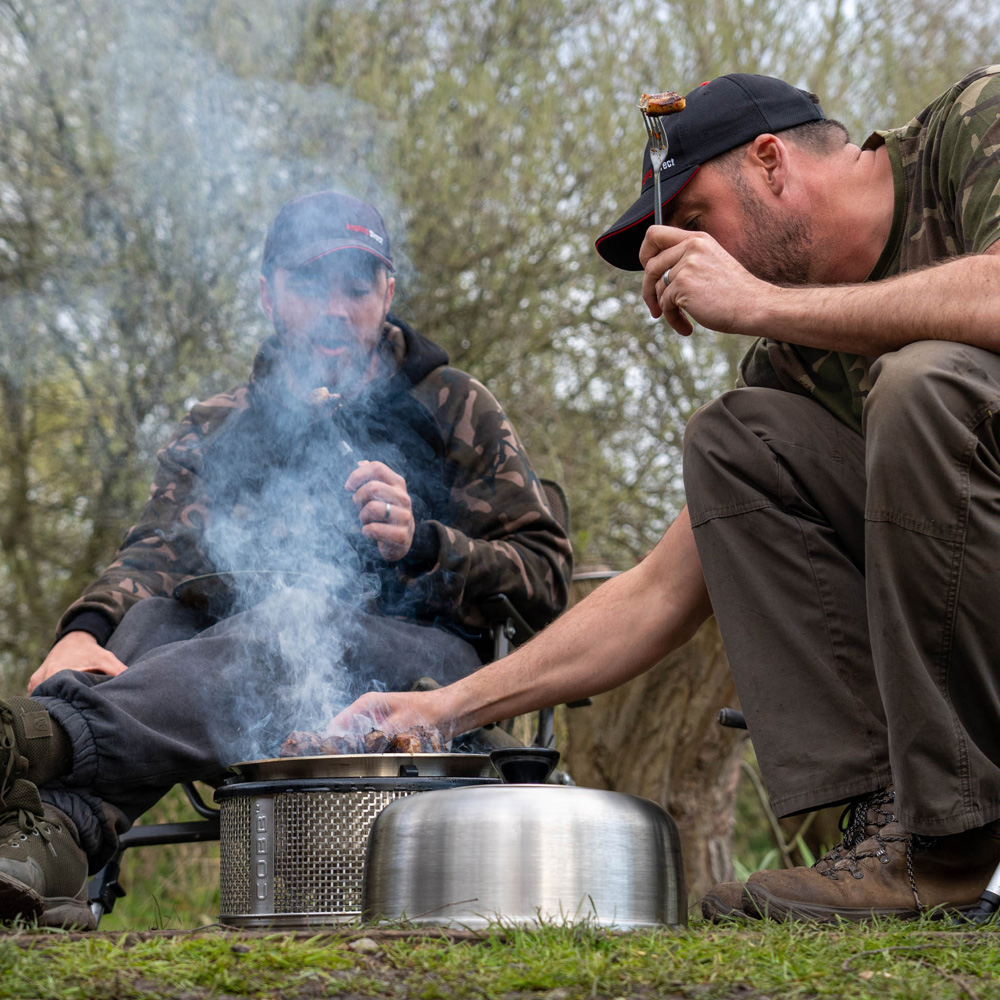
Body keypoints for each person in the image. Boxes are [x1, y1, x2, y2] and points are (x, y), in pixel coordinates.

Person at [336, 67, 1000, 923]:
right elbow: (659, 589)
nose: (689, 261)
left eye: (694, 223)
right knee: (733, 439)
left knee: (920, 382)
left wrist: (758, 303)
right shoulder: (793, 367)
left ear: (770, 162)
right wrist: (446, 706)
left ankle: (949, 838)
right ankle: (899, 839)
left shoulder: (973, 124)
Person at [0, 190, 572, 929]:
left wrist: (427, 541)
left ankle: (37, 743)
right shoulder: (222, 423)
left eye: (356, 285)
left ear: (388, 292)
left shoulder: (454, 407)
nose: (336, 308)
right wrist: (83, 629)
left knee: (294, 617)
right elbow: (154, 553)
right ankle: (41, 848)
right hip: (225, 693)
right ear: (269, 295)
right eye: (309, 283)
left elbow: (546, 578)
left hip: (418, 680)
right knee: (147, 619)